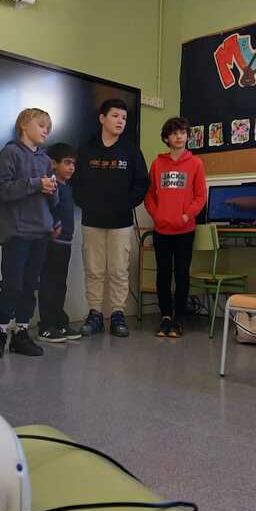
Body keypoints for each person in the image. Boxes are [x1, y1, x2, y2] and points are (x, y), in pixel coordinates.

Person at [72, 99, 149, 338]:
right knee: (93, 270)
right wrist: (86, 203)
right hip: (92, 220)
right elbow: (75, 180)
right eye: (115, 116)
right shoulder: (85, 149)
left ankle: (117, 314)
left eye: (124, 118)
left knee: (119, 270)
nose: (120, 121)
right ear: (102, 118)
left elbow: (142, 183)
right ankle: (95, 314)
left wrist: (125, 204)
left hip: (121, 222)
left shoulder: (131, 150)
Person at [0, 108, 58, 360]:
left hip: (40, 232)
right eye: (41, 125)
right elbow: (0, 190)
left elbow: (53, 199)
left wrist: (52, 189)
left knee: (30, 285)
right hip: (17, 232)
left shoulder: (46, 159)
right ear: (24, 125)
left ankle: (21, 333)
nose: (46, 130)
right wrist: (37, 184)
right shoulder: (10, 153)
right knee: (12, 284)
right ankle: (0, 332)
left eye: (48, 127)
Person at [144, 117, 206, 338]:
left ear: (187, 136)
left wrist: (186, 215)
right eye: (174, 133)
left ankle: (178, 319)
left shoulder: (195, 163)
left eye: (182, 132)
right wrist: (157, 215)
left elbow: (200, 196)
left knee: (181, 274)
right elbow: (149, 196)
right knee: (162, 274)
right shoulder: (157, 164)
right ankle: (165, 317)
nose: (179, 136)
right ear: (166, 138)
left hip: (185, 230)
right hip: (161, 230)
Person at [37, 142, 83, 343]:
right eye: (67, 162)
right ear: (53, 164)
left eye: (73, 163)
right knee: (49, 284)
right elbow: (45, 209)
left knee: (59, 285)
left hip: (65, 244)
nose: (71, 167)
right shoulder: (51, 186)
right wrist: (54, 224)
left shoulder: (68, 188)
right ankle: (46, 326)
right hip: (52, 244)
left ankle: (59, 322)